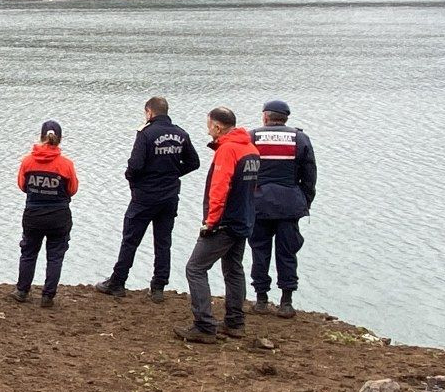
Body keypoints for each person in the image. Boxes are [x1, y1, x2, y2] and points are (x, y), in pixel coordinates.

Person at [96, 96, 199, 302]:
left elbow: (135, 165)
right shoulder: (181, 134)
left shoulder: (146, 134)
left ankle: (118, 282)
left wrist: (133, 181)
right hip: (169, 196)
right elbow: (194, 162)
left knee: (130, 240)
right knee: (163, 242)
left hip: (145, 197)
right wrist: (173, 173)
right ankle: (159, 287)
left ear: (149, 112)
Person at [176, 107, 260, 344]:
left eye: (209, 124)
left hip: (224, 222)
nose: (208, 129)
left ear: (217, 127)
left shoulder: (228, 150)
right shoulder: (251, 150)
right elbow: (252, 189)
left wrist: (210, 223)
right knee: (234, 268)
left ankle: (204, 325)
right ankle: (235, 322)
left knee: (195, 268)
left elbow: (219, 189)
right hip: (244, 220)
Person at [249, 100, 317, 318]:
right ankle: (286, 302)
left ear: (266, 117)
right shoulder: (300, 138)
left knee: (259, 250)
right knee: (287, 252)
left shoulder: (252, 137)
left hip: (259, 203)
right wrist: (305, 201)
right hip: (289, 204)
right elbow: (309, 176)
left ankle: (261, 299)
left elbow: (244, 170)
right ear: (285, 118)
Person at [11, 120, 78, 308]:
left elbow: (22, 186)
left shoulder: (27, 161)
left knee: (29, 252)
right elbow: (73, 189)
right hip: (59, 216)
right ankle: (48, 296)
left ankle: (22, 291)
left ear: (41, 137)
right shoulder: (66, 165)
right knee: (55, 256)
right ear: (60, 139)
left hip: (33, 214)